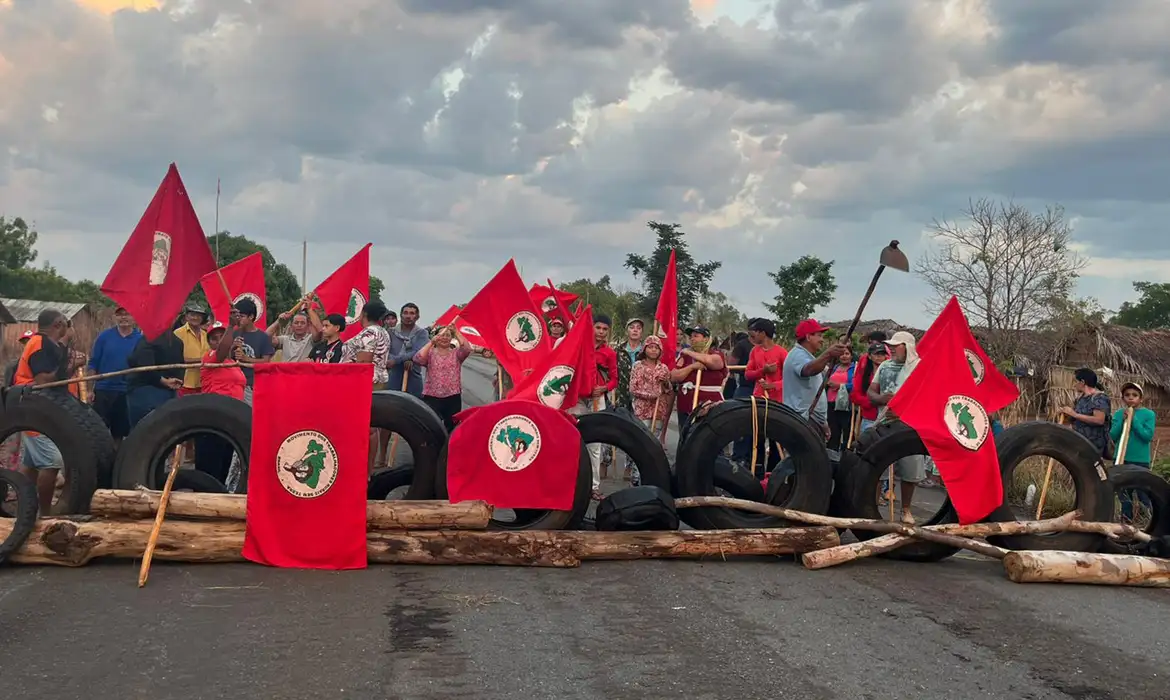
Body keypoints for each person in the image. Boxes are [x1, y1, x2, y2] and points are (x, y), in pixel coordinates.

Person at [12, 309, 72, 514]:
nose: (67, 327)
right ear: (57, 325)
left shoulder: (48, 344)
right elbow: (43, 381)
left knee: (30, 463)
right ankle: (45, 512)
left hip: (37, 408)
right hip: (34, 407)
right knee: (52, 462)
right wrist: (70, 367)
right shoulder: (39, 344)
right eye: (65, 323)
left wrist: (69, 363)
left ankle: (24, 506)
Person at [866, 331, 922, 524]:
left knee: (910, 470)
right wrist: (881, 398)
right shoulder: (885, 366)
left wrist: (905, 412)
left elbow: (927, 398)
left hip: (910, 427)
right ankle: (872, 508)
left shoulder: (920, 368)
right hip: (885, 424)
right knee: (877, 469)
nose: (891, 348)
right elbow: (871, 391)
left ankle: (906, 510)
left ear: (907, 347)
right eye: (890, 345)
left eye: (896, 345)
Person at [566, 314, 619, 500]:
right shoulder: (580, 347)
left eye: (605, 329)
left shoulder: (610, 353)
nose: (601, 332)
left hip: (597, 400)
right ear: (592, 328)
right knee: (573, 440)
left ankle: (594, 486)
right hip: (577, 399)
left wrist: (603, 388)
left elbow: (614, 379)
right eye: (598, 328)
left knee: (595, 445)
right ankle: (571, 483)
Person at [194, 321, 247, 485]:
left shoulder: (232, 363)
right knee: (211, 463)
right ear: (209, 342)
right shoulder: (210, 357)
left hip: (231, 417)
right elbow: (222, 351)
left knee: (225, 460)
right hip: (214, 415)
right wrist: (231, 327)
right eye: (214, 338)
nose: (218, 341)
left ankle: (220, 492)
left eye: (221, 337)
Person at [343, 300, 392, 472]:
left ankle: (365, 469)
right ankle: (366, 469)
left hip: (364, 382)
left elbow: (363, 361)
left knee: (367, 427)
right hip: (375, 380)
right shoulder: (382, 331)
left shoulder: (370, 332)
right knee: (370, 427)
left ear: (363, 313)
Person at [782, 319, 847, 441]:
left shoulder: (807, 356)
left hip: (809, 420)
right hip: (803, 421)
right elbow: (808, 370)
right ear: (808, 337)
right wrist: (828, 354)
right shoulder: (798, 355)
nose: (822, 340)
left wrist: (823, 423)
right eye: (819, 336)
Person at [86, 307, 141, 445]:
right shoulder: (104, 337)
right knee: (99, 430)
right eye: (120, 315)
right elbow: (93, 363)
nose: (123, 318)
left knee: (119, 433)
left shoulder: (140, 339)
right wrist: (89, 390)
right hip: (104, 390)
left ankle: (116, 457)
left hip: (126, 391)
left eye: (127, 314)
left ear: (134, 317)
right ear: (115, 317)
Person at [670, 326, 727, 449]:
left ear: (706, 338)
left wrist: (689, 352)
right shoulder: (684, 356)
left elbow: (714, 363)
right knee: (687, 438)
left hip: (710, 404)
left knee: (710, 439)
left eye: (696, 336)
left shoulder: (716, 354)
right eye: (691, 337)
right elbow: (674, 376)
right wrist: (692, 367)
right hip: (686, 404)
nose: (692, 339)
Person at [125, 316, 186, 431]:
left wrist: (166, 381)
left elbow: (145, 365)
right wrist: (174, 380)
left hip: (150, 392)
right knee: (161, 431)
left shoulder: (153, 339)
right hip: (161, 391)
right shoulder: (176, 341)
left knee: (145, 431)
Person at [412, 325, 472, 432]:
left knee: (452, 427)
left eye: (448, 335)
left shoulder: (456, 354)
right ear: (436, 337)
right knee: (432, 427)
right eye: (441, 335)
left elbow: (467, 349)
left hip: (452, 397)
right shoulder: (430, 353)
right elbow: (418, 359)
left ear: (451, 338)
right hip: (432, 397)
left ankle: (449, 443)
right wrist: (431, 343)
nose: (444, 337)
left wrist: (456, 332)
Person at [1111, 382, 1156, 521]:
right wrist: (1122, 421)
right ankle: (1126, 521)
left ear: (1141, 399)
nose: (1131, 398)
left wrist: (1133, 419)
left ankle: (1147, 521)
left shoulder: (1149, 414)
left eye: (1135, 395)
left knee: (1143, 492)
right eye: (1127, 395)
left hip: (1140, 460)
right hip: (1121, 458)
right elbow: (1112, 436)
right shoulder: (1119, 414)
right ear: (1123, 398)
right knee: (1124, 493)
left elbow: (1147, 436)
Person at [1059, 368, 1111, 460]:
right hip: (1078, 442)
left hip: (1092, 445)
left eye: (1075, 381)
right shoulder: (1080, 398)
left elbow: (1099, 420)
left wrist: (1075, 414)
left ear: (1082, 382)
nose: (1074, 384)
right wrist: (1067, 414)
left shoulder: (1099, 398)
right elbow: (1076, 419)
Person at [230, 299, 275, 405]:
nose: (238, 319)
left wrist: (246, 359)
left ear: (251, 317)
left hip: (252, 385)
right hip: (234, 384)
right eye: (237, 316)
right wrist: (232, 347)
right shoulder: (233, 333)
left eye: (242, 316)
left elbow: (266, 361)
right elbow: (226, 358)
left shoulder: (263, 337)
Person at [387, 303, 428, 396]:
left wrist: (397, 360)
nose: (408, 316)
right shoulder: (391, 332)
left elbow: (418, 352)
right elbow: (386, 350)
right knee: (391, 401)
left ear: (417, 317)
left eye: (412, 313)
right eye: (405, 313)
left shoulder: (422, 333)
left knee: (415, 402)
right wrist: (392, 359)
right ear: (401, 315)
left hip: (413, 374)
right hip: (394, 374)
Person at [850, 342, 888, 434]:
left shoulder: (890, 373)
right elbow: (854, 394)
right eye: (876, 354)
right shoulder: (864, 374)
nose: (879, 356)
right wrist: (871, 401)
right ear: (870, 356)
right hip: (869, 417)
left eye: (882, 354)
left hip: (886, 418)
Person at [173, 304, 210, 396]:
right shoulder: (178, 333)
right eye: (192, 315)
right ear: (186, 316)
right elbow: (176, 358)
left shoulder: (206, 334)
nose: (195, 318)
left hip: (204, 381)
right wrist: (203, 360)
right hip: (184, 382)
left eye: (199, 315)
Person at [826, 346, 855, 454]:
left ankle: (845, 454)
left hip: (845, 404)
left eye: (847, 354)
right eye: (842, 354)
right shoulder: (834, 367)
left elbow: (854, 385)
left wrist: (839, 386)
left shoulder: (854, 368)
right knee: (833, 430)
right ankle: (832, 454)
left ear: (851, 356)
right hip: (831, 402)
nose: (844, 356)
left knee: (847, 430)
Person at [614, 318, 645, 411]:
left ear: (642, 332)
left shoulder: (646, 352)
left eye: (638, 328)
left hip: (641, 398)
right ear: (627, 331)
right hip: (621, 396)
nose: (635, 330)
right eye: (632, 327)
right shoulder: (618, 350)